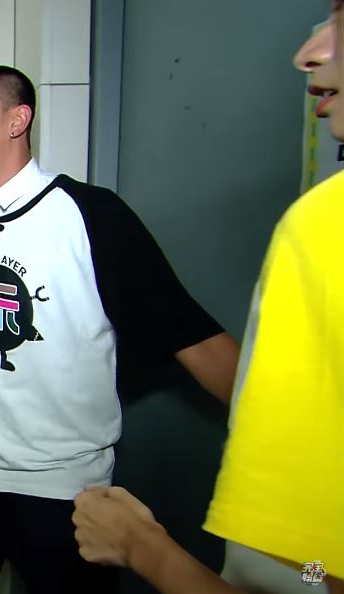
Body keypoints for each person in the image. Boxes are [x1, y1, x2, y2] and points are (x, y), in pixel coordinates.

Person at [0, 65, 241, 593]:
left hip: (66, 490)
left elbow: (195, 339)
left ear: (17, 120)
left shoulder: (90, 213)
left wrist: (287, 443)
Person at [73, 7, 344, 593]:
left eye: (342, 18)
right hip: (309, 566)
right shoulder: (322, 219)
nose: (309, 53)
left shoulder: (326, 226)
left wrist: (142, 548)